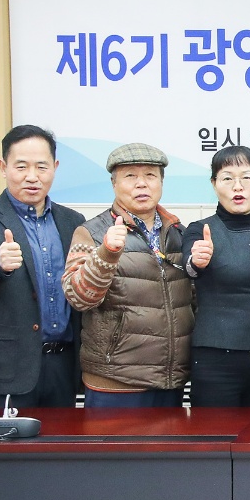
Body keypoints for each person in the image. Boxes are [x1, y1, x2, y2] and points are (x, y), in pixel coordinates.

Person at [0, 125, 85, 409]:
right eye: (21, 166)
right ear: (3, 167)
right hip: (6, 369)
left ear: (54, 168)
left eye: (41, 167)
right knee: (4, 441)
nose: (32, 176)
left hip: (63, 366)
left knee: (63, 438)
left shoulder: (73, 221)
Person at [62, 142, 193, 407]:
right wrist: (107, 254)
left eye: (150, 175)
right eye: (130, 176)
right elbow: (78, 297)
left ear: (161, 182)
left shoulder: (180, 233)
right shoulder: (91, 232)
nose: (141, 184)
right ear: (114, 184)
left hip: (171, 382)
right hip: (115, 383)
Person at [182, 146, 250, 407]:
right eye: (227, 178)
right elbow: (190, 266)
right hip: (214, 356)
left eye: (246, 177)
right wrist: (197, 260)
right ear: (214, 184)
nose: (238, 187)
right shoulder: (199, 230)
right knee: (214, 432)